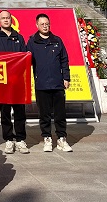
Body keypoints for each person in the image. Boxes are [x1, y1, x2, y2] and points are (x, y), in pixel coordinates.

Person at [27, 13, 73, 152]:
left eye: (47, 24)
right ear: (37, 25)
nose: (45, 26)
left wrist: (66, 77)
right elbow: (25, 60)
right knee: (44, 114)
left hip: (57, 83)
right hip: (41, 84)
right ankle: (47, 138)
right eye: (42, 24)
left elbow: (64, 60)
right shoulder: (32, 42)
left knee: (60, 113)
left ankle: (61, 138)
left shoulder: (57, 40)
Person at [0, 10, 29, 154]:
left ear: (12, 20)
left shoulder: (19, 37)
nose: (6, 20)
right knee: (5, 112)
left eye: (8, 18)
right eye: (3, 18)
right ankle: (9, 140)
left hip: (18, 81)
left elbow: (24, 57)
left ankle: (20, 139)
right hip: (3, 81)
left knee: (19, 112)